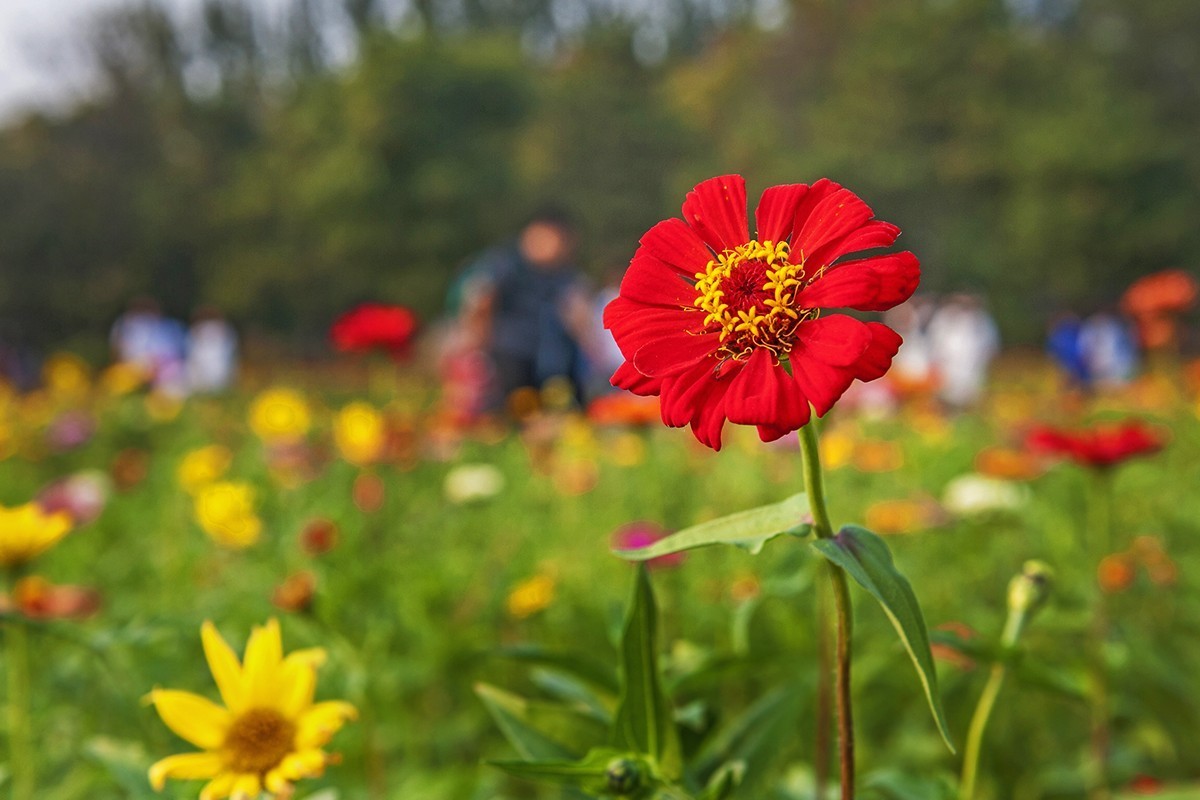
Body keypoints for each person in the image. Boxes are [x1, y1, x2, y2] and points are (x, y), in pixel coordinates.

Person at [455, 209, 590, 413]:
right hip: (512, 353)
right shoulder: (504, 263)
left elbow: (579, 311)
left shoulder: (564, 273)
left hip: (554, 355)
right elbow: (479, 299)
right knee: (511, 410)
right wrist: (475, 342)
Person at [927, 293, 1000, 411]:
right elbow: (935, 343)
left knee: (969, 405)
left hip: (973, 370)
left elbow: (990, 346)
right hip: (947, 369)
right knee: (946, 403)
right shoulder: (945, 317)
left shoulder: (982, 320)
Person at [186, 306, 239, 393]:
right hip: (221, 378)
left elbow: (193, 356)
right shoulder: (227, 331)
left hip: (205, 379)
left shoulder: (196, 331)